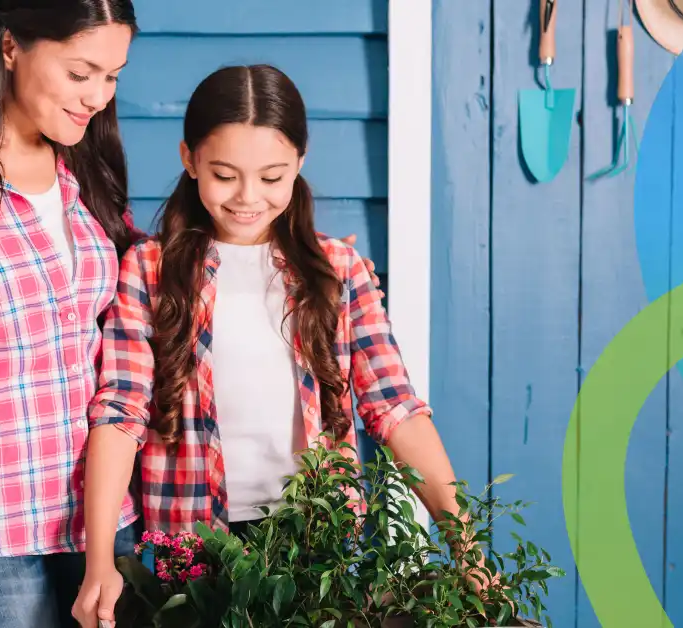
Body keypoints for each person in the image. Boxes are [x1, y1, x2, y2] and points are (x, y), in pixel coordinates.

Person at [0, 3, 380, 625]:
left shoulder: (82, 160)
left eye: (112, 76)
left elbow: (150, 272)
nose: (97, 97)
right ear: (10, 47)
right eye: (81, 73)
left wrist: (306, 263)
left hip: (104, 513)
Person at [73, 64, 470, 628]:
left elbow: (394, 406)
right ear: (189, 159)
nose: (248, 197)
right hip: (191, 549)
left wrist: (465, 546)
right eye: (225, 174)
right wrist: (99, 563)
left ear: (300, 163)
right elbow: (120, 412)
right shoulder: (150, 269)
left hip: (314, 545)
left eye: (271, 176)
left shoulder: (339, 270)